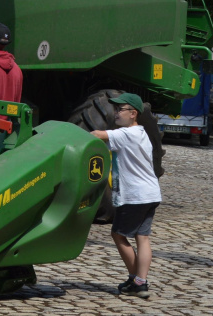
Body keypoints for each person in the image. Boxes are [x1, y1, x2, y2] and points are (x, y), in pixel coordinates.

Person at [90, 92, 161, 299]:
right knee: (142, 237)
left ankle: (136, 280)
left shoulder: (126, 134)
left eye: (120, 110)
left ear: (133, 113)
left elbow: (96, 135)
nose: (116, 113)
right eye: (116, 109)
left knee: (118, 235)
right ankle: (140, 281)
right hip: (151, 193)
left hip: (135, 196)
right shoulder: (141, 133)